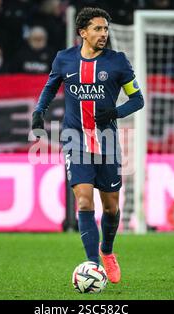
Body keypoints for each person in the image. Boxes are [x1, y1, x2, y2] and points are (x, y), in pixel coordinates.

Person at [31, 7, 144, 284]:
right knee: (83, 199)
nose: (103, 34)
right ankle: (93, 265)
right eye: (97, 28)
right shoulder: (64, 59)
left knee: (110, 208)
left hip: (106, 142)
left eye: (106, 29)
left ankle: (106, 251)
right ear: (83, 32)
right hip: (75, 139)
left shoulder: (118, 62)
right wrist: (38, 112)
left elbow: (137, 99)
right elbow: (50, 87)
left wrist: (115, 113)